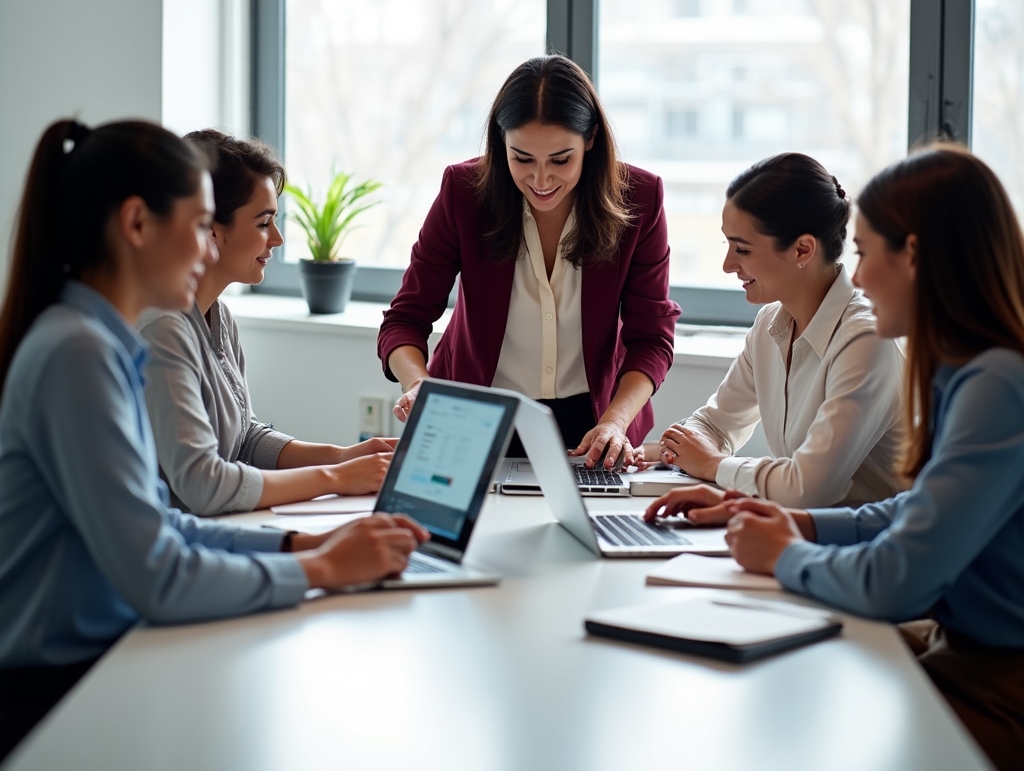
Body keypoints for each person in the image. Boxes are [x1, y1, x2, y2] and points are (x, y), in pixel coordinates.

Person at [0, 119, 427, 761]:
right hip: (57, 695)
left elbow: (164, 522)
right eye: (202, 227)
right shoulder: (77, 355)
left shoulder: (98, 344)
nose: (208, 251)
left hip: (101, 659)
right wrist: (320, 569)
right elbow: (159, 573)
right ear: (138, 224)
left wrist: (305, 541)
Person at [648, 144, 1024, 770]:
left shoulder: (995, 385)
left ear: (918, 259)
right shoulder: (965, 369)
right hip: (958, 648)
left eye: (867, 254)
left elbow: (897, 580)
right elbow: (914, 509)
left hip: (997, 676)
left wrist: (789, 553)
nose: (863, 277)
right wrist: (799, 526)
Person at [378, 55, 681, 469]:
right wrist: (419, 385)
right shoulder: (463, 194)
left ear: (590, 139)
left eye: (561, 160)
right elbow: (405, 319)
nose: (541, 180)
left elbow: (651, 338)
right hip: (474, 414)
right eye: (522, 158)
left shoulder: (641, 199)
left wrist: (616, 421)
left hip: (594, 423)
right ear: (501, 142)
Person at [139, 130, 394, 516]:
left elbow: (244, 440)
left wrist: (343, 456)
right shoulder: (163, 330)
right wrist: (334, 478)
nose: (276, 239)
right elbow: (203, 485)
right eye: (263, 224)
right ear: (211, 229)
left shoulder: (218, 316)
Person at [653, 153, 903, 507]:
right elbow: (716, 425)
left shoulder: (866, 341)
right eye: (728, 245)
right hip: (801, 534)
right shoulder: (771, 324)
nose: (727, 265)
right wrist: (658, 452)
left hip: (868, 550)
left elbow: (808, 487)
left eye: (742, 249)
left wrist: (713, 465)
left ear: (803, 249)